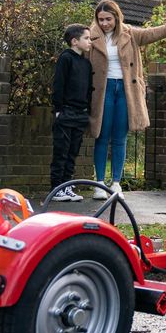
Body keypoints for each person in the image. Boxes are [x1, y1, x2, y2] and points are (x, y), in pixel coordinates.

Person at [87, 0, 166, 198]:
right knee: (101, 136)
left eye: (108, 19)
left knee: (120, 137)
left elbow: (153, 33)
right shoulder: (92, 37)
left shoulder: (130, 34)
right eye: (101, 19)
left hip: (125, 90)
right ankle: (98, 184)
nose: (104, 23)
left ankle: (115, 184)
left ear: (117, 17)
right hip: (102, 91)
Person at [49, 23, 93, 201]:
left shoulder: (86, 63)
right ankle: (56, 188)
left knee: (72, 153)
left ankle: (67, 186)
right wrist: (59, 110)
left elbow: (89, 89)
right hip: (66, 113)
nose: (90, 42)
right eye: (87, 38)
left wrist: (87, 110)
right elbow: (58, 85)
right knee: (61, 151)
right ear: (75, 41)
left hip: (80, 114)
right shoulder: (66, 59)